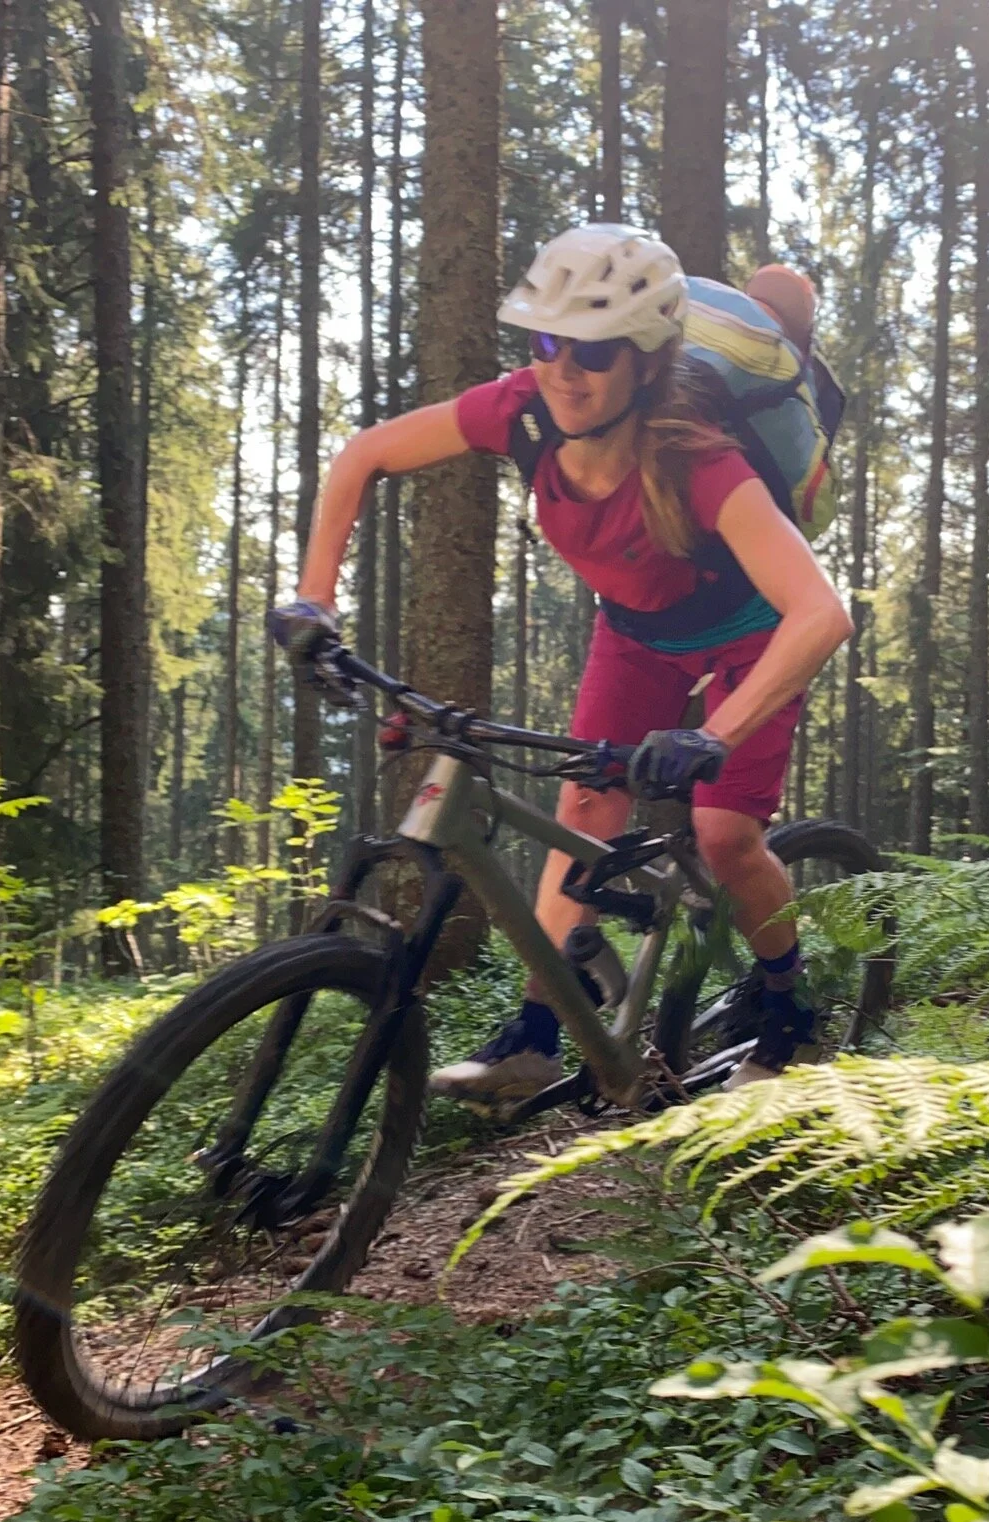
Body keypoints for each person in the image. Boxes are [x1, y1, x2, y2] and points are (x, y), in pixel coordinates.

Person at [270, 224, 854, 1102]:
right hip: (636, 630)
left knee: (725, 834)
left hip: (752, 633)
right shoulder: (525, 412)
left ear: (648, 360)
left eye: (593, 350)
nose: (562, 370)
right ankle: (537, 1031)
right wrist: (316, 599)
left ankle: (788, 1004)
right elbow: (365, 456)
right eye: (546, 341)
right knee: (584, 807)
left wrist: (715, 737)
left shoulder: (703, 464)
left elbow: (820, 614)